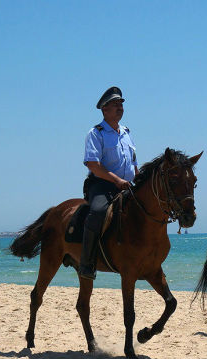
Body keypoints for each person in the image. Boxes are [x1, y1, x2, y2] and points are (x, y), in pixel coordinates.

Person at [79, 86, 139, 280]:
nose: (120, 107)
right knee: (97, 212)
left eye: (121, 103)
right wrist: (117, 180)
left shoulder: (127, 133)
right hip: (103, 186)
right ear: (104, 109)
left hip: (128, 185)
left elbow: (133, 164)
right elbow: (93, 165)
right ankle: (87, 263)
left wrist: (138, 181)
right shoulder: (96, 133)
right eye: (115, 104)